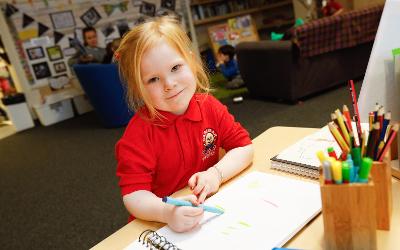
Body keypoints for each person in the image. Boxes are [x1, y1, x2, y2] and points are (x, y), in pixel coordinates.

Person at [115, 16, 254, 233]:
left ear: (191, 61)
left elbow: (244, 147)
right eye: (153, 79)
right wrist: (166, 212)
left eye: (176, 68)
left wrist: (216, 174)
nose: (169, 84)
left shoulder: (209, 106)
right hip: (157, 224)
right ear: (138, 88)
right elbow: (134, 195)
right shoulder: (139, 134)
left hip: (206, 213)